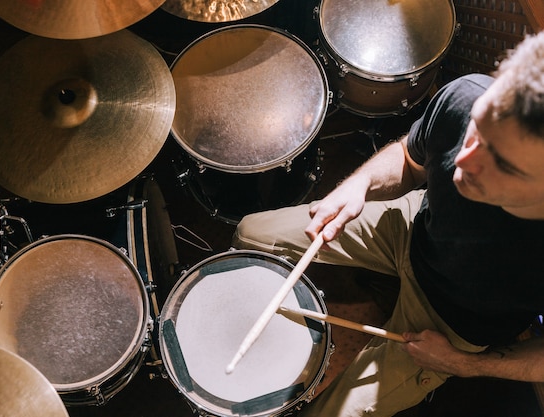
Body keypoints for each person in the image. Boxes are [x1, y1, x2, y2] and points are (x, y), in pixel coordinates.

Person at [231, 31, 544, 416]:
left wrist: (464, 365)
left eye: (503, 164)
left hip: (454, 323)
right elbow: (412, 161)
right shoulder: (467, 97)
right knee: (249, 233)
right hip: (414, 226)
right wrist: (358, 185)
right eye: (478, 129)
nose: (462, 162)